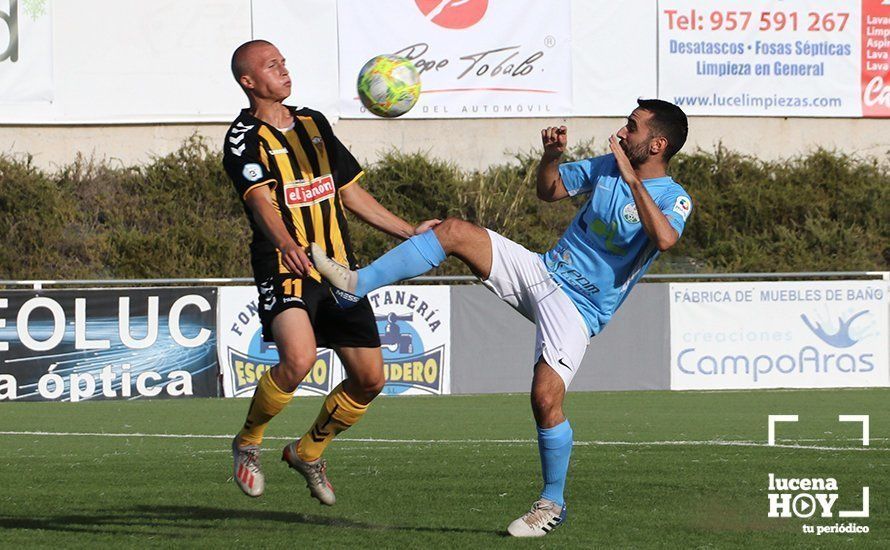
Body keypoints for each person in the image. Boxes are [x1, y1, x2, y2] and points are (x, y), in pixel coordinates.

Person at [311, 99, 693, 536]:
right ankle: (356, 284)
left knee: (545, 400)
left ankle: (551, 503)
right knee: (454, 230)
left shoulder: (673, 197)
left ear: (658, 143)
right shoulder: (609, 164)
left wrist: (630, 177)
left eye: (633, 127)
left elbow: (663, 238)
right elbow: (548, 191)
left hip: (579, 309)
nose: (623, 133)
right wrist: (551, 158)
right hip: (542, 271)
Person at [222, 40, 438, 504]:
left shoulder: (314, 123)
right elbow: (261, 203)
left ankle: (308, 450)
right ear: (249, 81)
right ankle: (248, 441)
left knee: (370, 379)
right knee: (298, 360)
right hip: (286, 265)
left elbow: (349, 193)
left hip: (339, 269)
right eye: (272, 65)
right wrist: (288, 246)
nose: (284, 69)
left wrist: (409, 232)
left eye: (284, 60)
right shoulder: (244, 138)